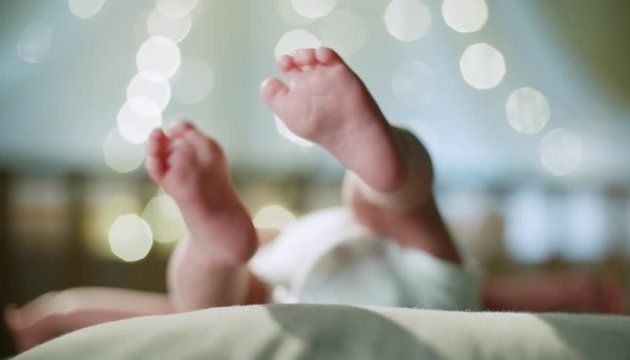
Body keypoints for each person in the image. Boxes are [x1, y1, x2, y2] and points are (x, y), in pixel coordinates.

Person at [4, 47, 480, 352]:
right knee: (384, 203)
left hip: (282, 308)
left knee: (199, 308)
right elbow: (540, 294)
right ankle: (389, 164)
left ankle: (211, 248)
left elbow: (144, 323)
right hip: (420, 290)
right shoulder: (294, 247)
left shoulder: (273, 263)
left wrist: (45, 320)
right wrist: (47, 317)